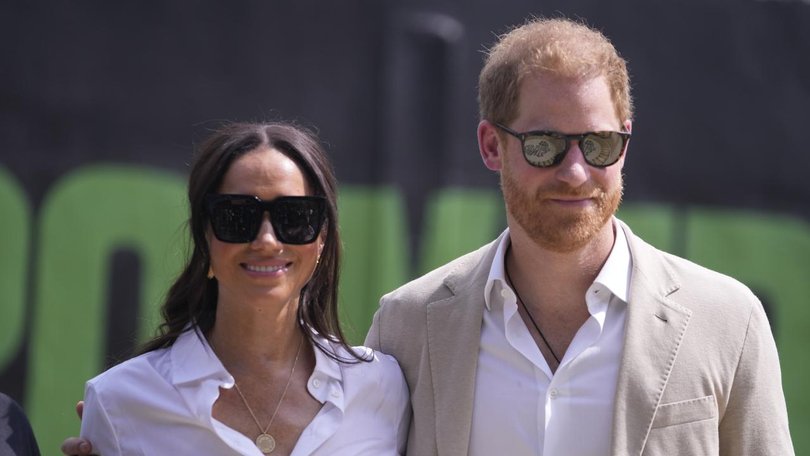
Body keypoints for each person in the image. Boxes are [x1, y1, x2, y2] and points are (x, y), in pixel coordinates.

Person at [364, 17, 794, 456]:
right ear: (492, 145)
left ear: (624, 145)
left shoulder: (728, 320)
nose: (574, 172)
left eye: (598, 144)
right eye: (544, 144)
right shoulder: (406, 326)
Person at [61, 122, 409, 455]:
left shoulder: (381, 387)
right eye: (237, 216)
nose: (267, 241)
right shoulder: (120, 402)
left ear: (321, 239)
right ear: (205, 236)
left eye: (294, 216)